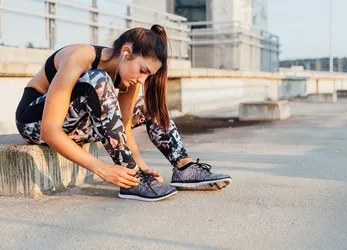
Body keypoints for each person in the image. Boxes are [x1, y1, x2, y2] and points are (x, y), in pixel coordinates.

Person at [15, 25, 231, 202]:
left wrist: (143, 167)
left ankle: (183, 166)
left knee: (148, 105)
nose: (142, 80)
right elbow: (50, 130)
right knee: (97, 79)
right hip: (34, 123)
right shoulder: (81, 57)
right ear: (126, 52)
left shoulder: (128, 78)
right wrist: (102, 169)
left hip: (76, 125)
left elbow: (124, 127)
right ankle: (131, 181)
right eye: (143, 71)